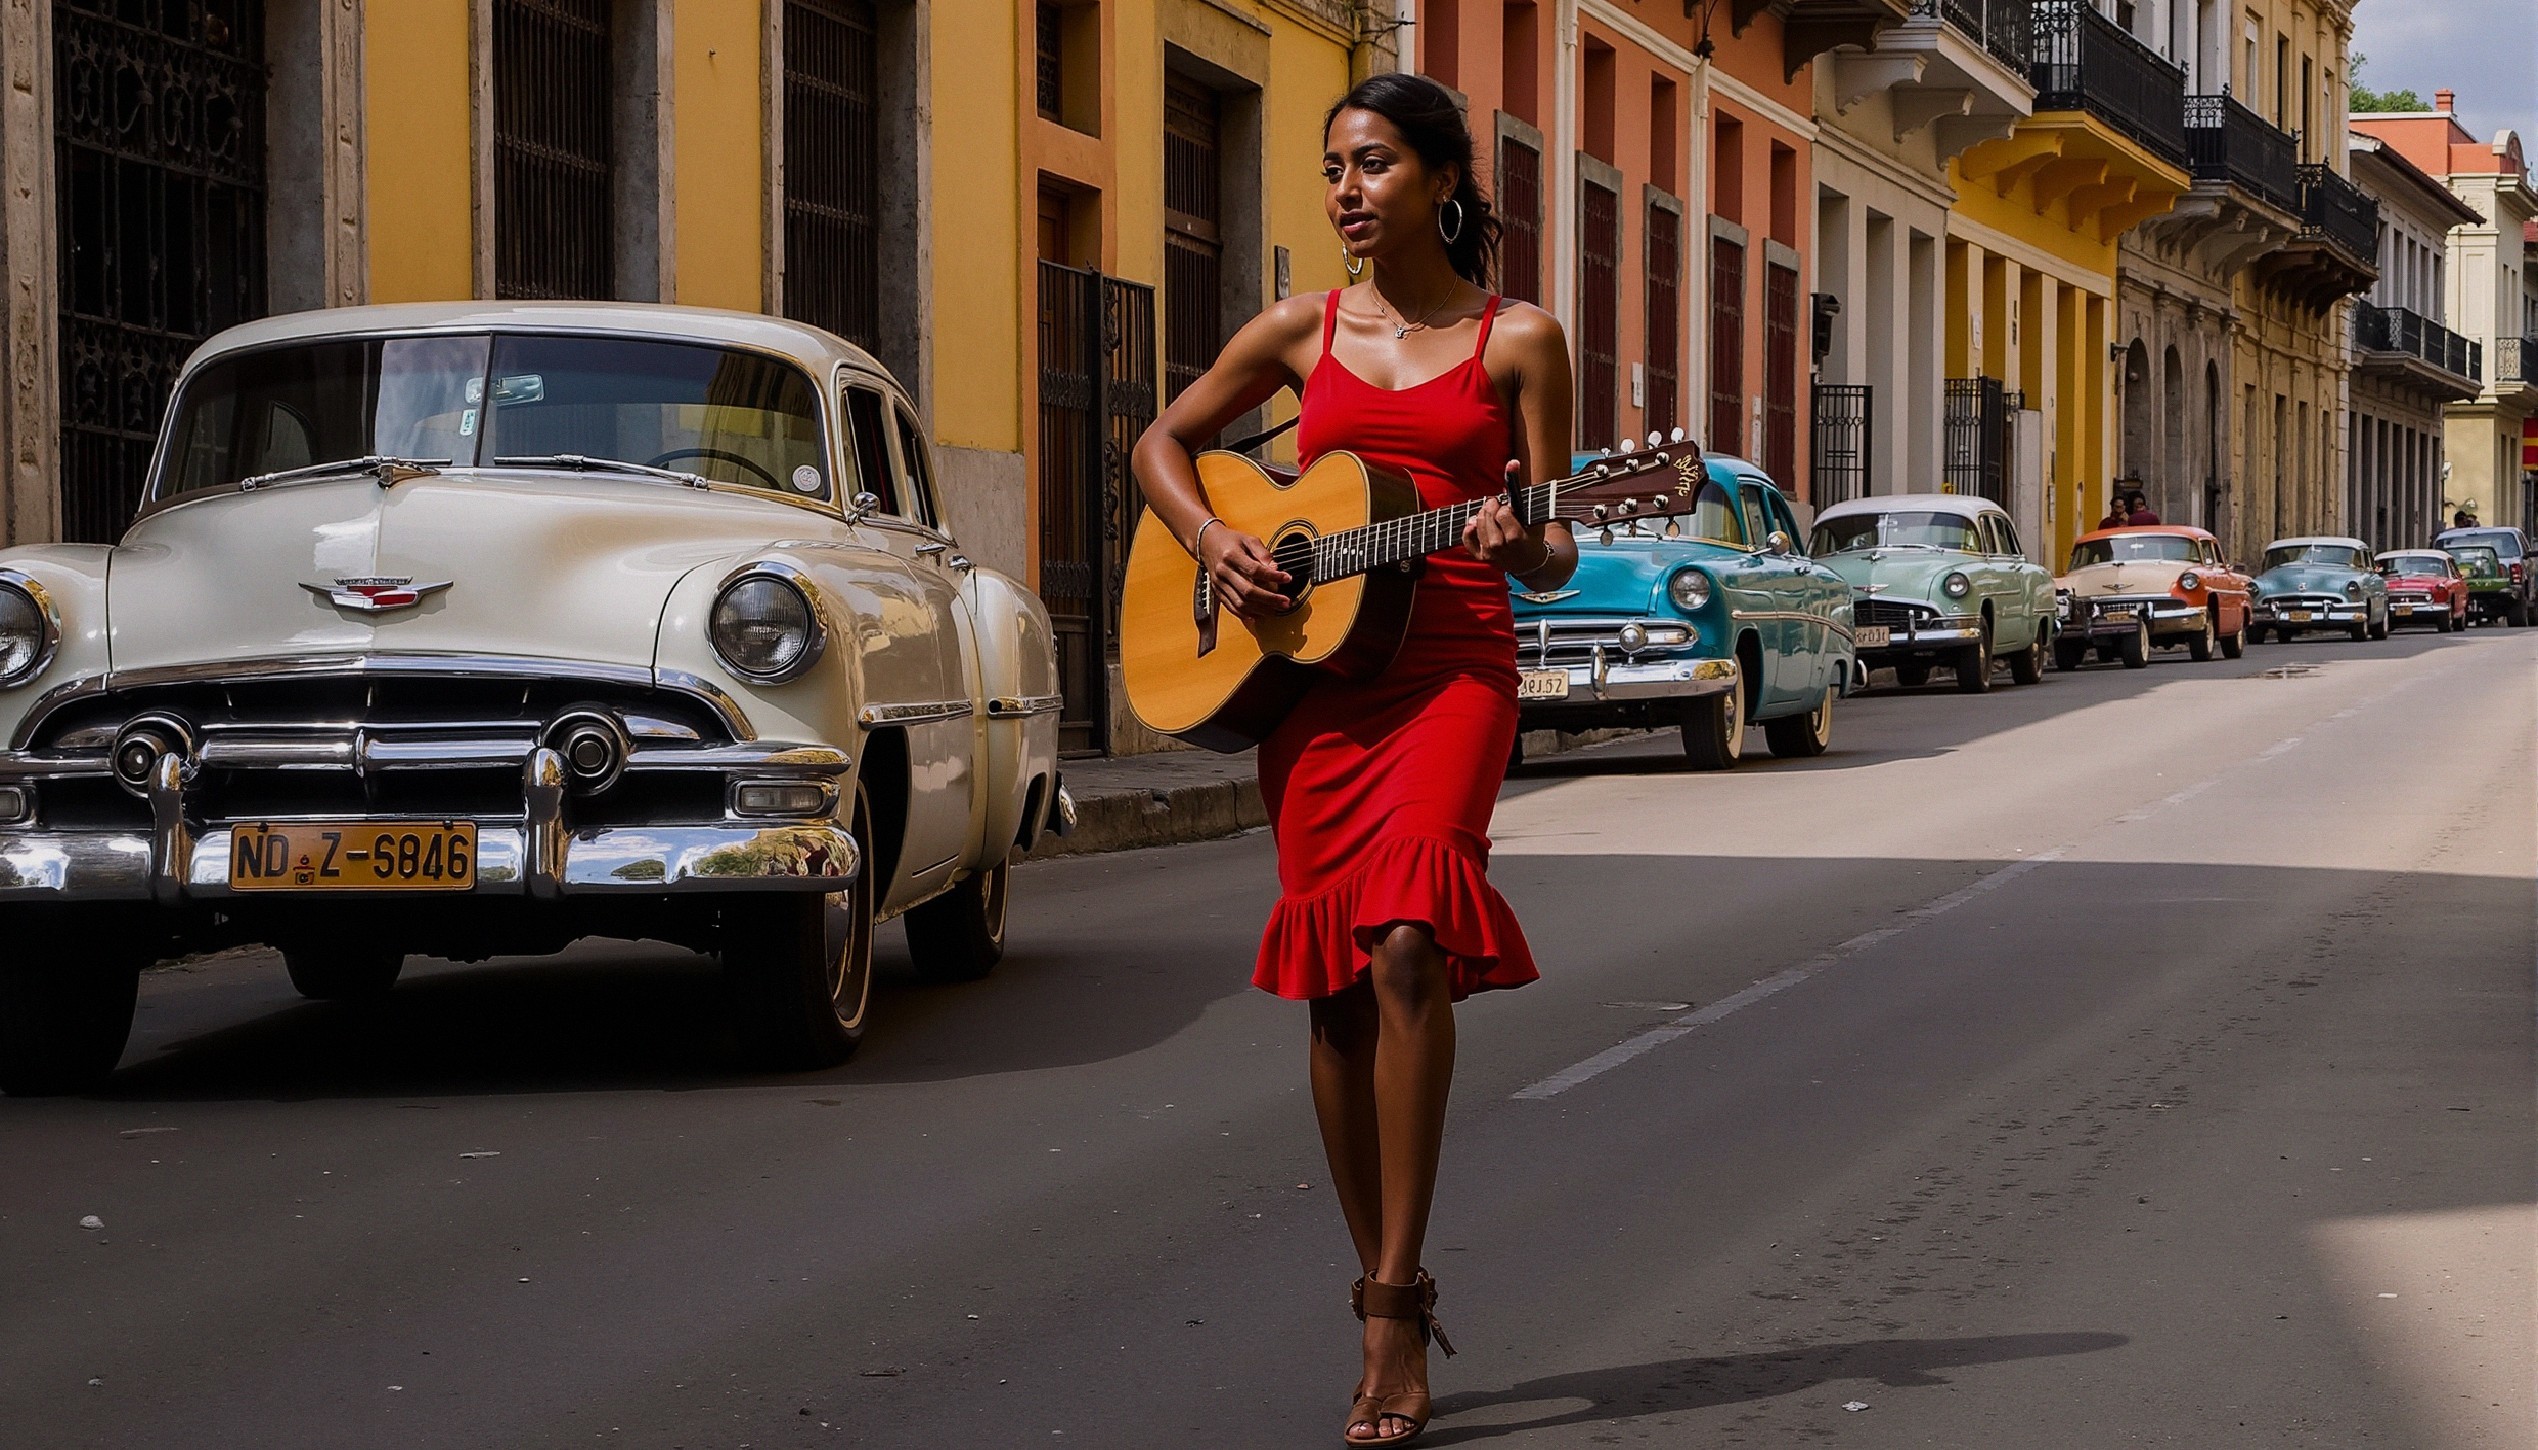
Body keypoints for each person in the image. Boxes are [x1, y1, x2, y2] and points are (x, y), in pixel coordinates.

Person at [1128, 73, 1577, 1447]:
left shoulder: (1519, 344)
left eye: (1371, 165)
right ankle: (1376, 1282)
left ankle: (1394, 1301)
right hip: (1312, 683)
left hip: (1449, 667)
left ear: (1443, 179)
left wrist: (1525, 541)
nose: (1343, 191)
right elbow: (1161, 440)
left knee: (1402, 943)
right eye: (1332, 168)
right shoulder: (1295, 329)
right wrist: (1215, 543)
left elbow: (1553, 542)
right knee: (1329, 986)